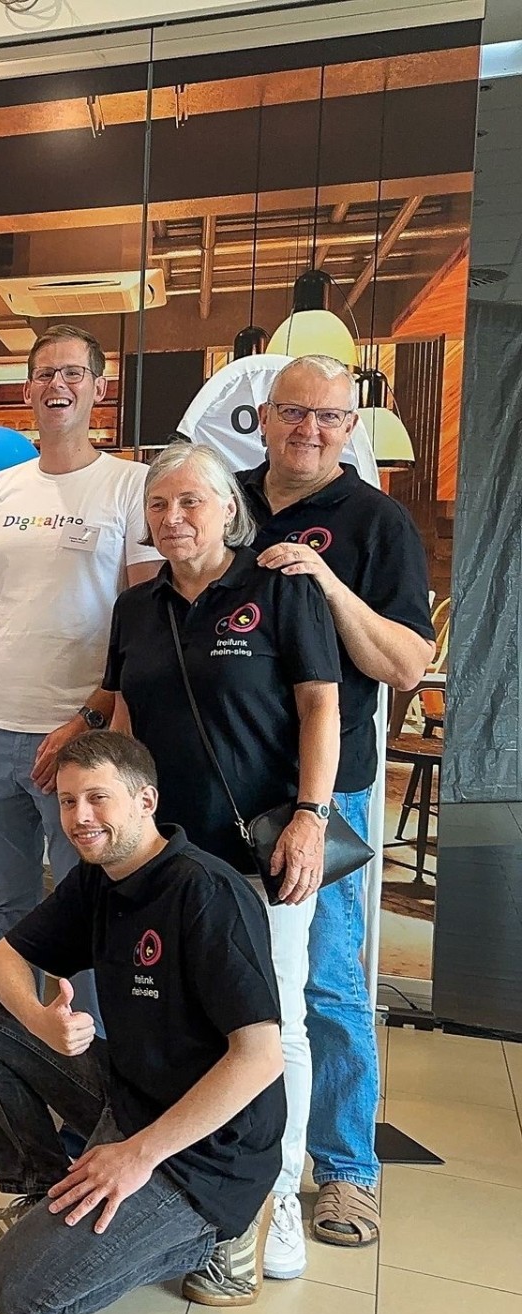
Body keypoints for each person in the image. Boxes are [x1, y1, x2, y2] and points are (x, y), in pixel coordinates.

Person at [94, 441, 340, 1282]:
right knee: (184, 1027)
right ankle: (186, 1187)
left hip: (259, 856)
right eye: (159, 506)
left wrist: (311, 816)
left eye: (191, 502)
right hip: (165, 861)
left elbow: (319, 706)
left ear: (229, 509)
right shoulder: (137, 607)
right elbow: (124, 720)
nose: (173, 519)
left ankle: (268, 1212)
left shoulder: (279, 588)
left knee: (274, 1032)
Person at [0, 731, 285, 1314]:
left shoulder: (206, 894)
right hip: (130, 1094)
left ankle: (222, 1234)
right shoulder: (100, 878)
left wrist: (137, 1156)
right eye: (68, 801)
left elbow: (260, 1059)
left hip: (204, 1151)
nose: (79, 818)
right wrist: (42, 1022)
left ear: (145, 801)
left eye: (97, 798)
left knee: (17, 1292)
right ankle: (44, 1191)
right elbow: (0, 961)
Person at [0, 324, 161, 1120]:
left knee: (87, 920)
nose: (55, 385)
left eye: (72, 372)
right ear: (27, 389)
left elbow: (144, 620)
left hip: (83, 747)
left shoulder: (130, 487)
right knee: (6, 919)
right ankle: (15, 1064)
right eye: (42, 374)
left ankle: (91, 1089)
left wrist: (95, 718)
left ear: (99, 388)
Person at [238, 354, 437, 1252]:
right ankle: (232, 1152)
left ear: (349, 426)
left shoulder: (376, 522)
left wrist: (324, 584)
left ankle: (347, 1169)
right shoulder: (226, 499)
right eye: (292, 414)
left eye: (326, 417)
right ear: (264, 418)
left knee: (327, 983)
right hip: (226, 782)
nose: (307, 430)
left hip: (328, 790)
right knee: (231, 977)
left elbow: (404, 663)